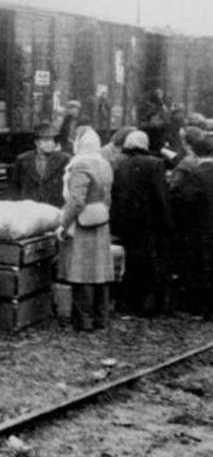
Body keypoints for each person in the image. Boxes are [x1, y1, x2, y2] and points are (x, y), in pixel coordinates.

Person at [56, 126, 114, 331]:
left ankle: (84, 322)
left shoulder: (80, 165)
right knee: (100, 273)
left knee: (82, 273)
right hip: (101, 221)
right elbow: (107, 196)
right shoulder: (104, 163)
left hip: (82, 224)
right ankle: (101, 319)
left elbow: (76, 201)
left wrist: (63, 224)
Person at [110, 130, 172, 316]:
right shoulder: (155, 164)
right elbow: (160, 196)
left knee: (129, 264)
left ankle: (126, 305)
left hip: (124, 223)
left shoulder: (118, 163)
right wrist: (167, 222)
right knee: (149, 265)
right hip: (149, 223)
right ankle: (147, 307)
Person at [173, 135, 213, 318]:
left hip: (201, 229)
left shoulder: (196, 175)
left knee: (201, 268)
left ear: (195, 153)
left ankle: (202, 308)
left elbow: (185, 202)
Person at [10, 123, 70, 207]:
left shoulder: (63, 159)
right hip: (30, 208)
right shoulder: (23, 160)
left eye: (52, 140)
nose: (50, 143)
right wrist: (17, 206)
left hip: (54, 207)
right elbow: (15, 186)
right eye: (45, 140)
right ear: (37, 143)